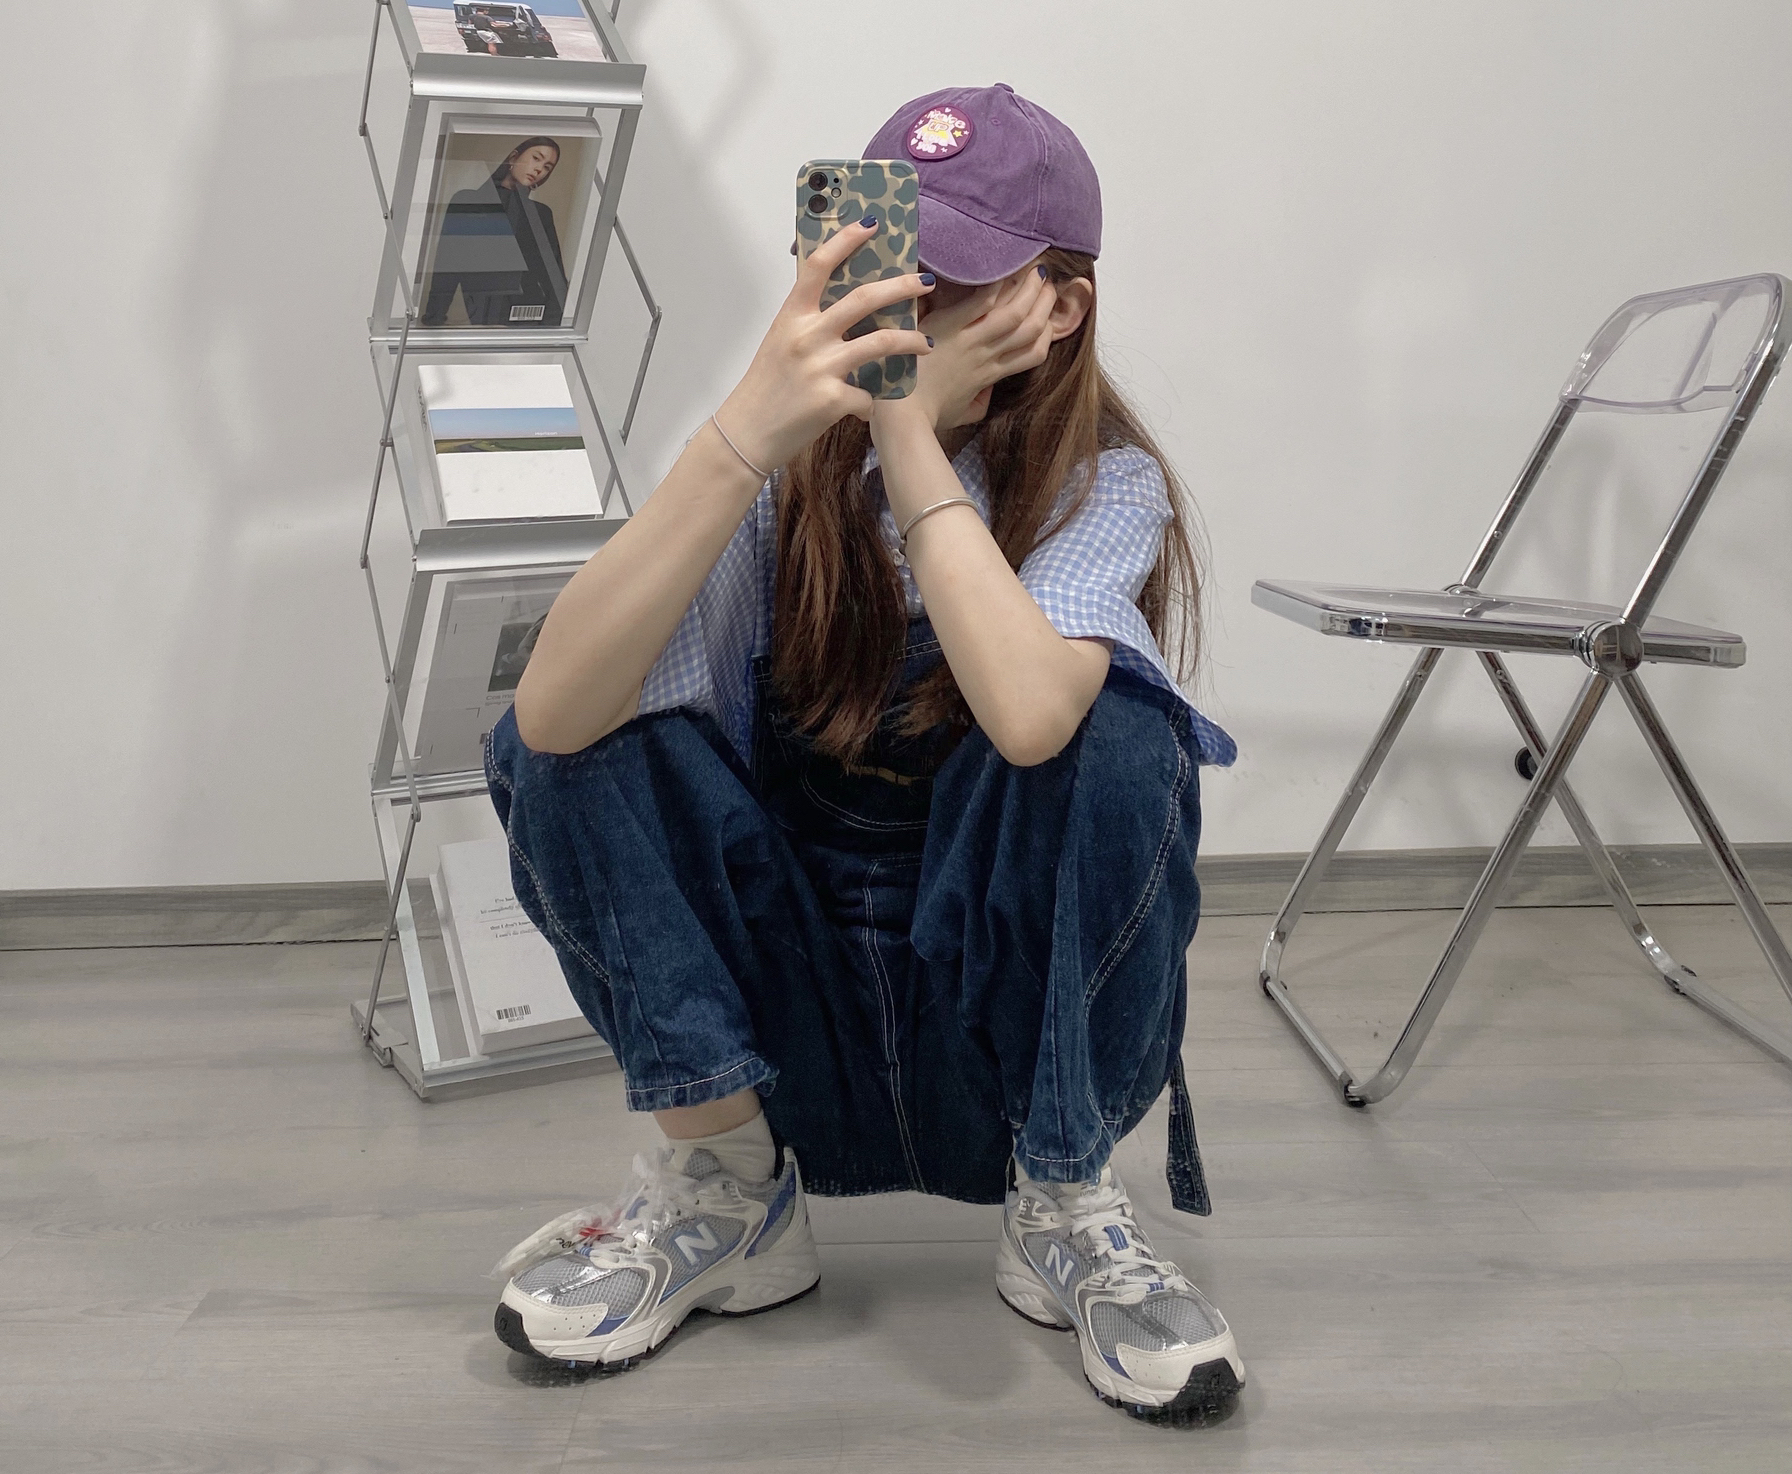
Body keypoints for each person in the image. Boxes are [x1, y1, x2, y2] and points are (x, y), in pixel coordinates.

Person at [483, 84, 1245, 1423]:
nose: (904, 308)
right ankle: (727, 1196)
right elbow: (550, 720)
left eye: (949, 279)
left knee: (1119, 735)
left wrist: (902, 431)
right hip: (787, 1049)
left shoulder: (1101, 486)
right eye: (888, 267)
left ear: (1058, 306)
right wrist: (749, 425)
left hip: (1001, 1057)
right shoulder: (786, 482)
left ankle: (1064, 1202)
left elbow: (1029, 717)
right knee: (569, 729)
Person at [420, 137, 569, 327]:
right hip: (481, 318)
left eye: (547, 167)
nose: (539, 169)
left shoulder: (541, 214)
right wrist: (433, 320)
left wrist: (550, 331)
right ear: (513, 157)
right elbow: (448, 264)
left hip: (528, 320)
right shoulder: (468, 200)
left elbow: (554, 278)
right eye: (536, 158)